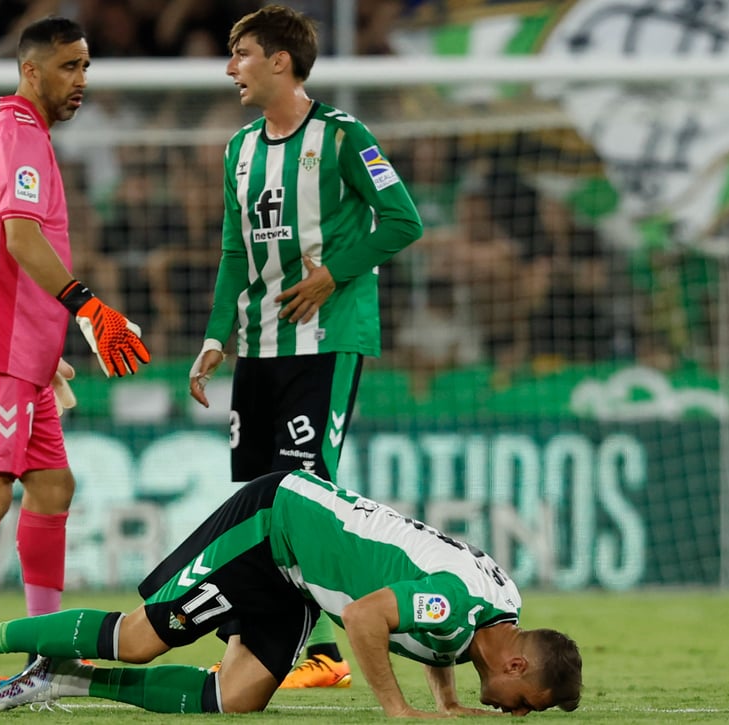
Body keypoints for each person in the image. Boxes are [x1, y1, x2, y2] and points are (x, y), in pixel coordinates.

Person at [0, 469, 583, 716]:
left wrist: (450, 700)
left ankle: (64, 680)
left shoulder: (495, 608)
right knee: (139, 638)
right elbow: (365, 615)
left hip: (297, 571)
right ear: (517, 662)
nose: (519, 715)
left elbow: (438, 628)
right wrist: (398, 708)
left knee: (236, 699)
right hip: (274, 525)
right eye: (525, 704)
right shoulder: (466, 605)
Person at [187, 4, 424, 688]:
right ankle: (258, 646)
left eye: (242, 54)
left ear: (281, 62)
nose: (232, 67)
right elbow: (235, 252)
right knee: (256, 497)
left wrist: (331, 275)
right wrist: (214, 336)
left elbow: (403, 220)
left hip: (326, 341)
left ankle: (319, 650)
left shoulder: (345, 136)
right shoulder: (239, 149)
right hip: (259, 346)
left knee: (304, 491)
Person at [0, 15, 150, 687]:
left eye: (86, 68)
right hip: (0, 346)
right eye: (69, 67)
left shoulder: (17, 137)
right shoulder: (17, 135)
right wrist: (87, 308)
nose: (80, 81)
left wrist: (48, 340)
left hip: (19, 343)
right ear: (30, 70)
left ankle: (50, 651)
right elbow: (19, 239)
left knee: (51, 486)